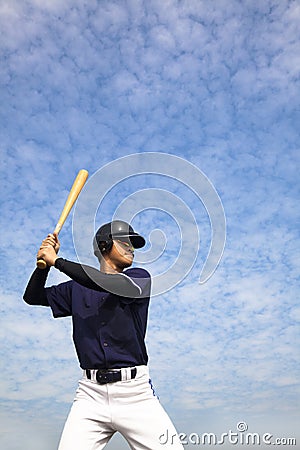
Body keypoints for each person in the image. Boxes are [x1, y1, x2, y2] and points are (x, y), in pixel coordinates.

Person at [23, 220, 183, 450]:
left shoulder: (139, 277)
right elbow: (33, 296)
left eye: (133, 245)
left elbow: (104, 283)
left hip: (135, 393)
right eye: (125, 242)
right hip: (90, 395)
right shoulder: (75, 288)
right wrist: (43, 266)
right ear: (105, 244)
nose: (131, 248)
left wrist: (57, 261)